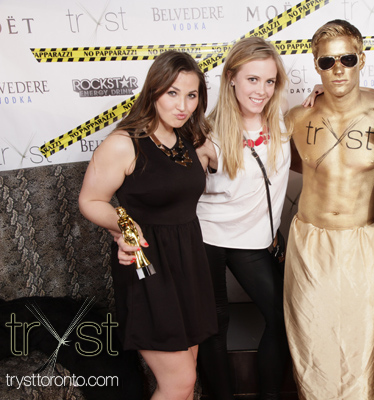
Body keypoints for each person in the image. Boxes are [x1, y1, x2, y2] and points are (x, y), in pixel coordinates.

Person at [78, 50, 218, 400]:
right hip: (149, 267)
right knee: (179, 383)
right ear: (153, 91)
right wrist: (123, 228)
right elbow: (90, 200)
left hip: (189, 264)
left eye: (192, 95)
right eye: (172, 93)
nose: (182, 105)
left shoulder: (190, 140)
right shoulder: (124, 143)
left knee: (187, 378)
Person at [283, 19, 374, 399]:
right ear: (316, 66)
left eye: (347, 59)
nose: (338, 70)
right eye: (327, 62)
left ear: (361, 59)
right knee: (311, 342)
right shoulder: (297, 118)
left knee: (363, 344)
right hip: (308, 242)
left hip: (364, 241)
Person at [195, 37, 290, 400]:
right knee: (214, 325)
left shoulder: (283, 122)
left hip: (253, 240)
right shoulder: (206, 133)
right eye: (252, 79)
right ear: (231, 77)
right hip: (207, 236)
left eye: (269, 81)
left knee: (282, 317)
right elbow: (177, 190)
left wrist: (322, 95)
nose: (261, 90)